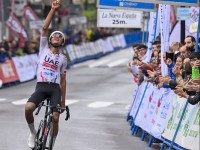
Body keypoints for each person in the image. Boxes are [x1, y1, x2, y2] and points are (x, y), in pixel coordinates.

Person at [25, 0, 69, 149]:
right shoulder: (43, 49)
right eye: (54, 36)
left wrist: (63, 102)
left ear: (62, 42)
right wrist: (52, 10)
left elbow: (63, 81)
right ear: (49, 40)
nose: (56, 37)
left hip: (55, 88)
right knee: (28, 108)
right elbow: (44, 28)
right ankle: (32, 133)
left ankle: (52, 143)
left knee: (55, 118)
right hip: (41, 86)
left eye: (59, 36)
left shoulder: (63, 59)